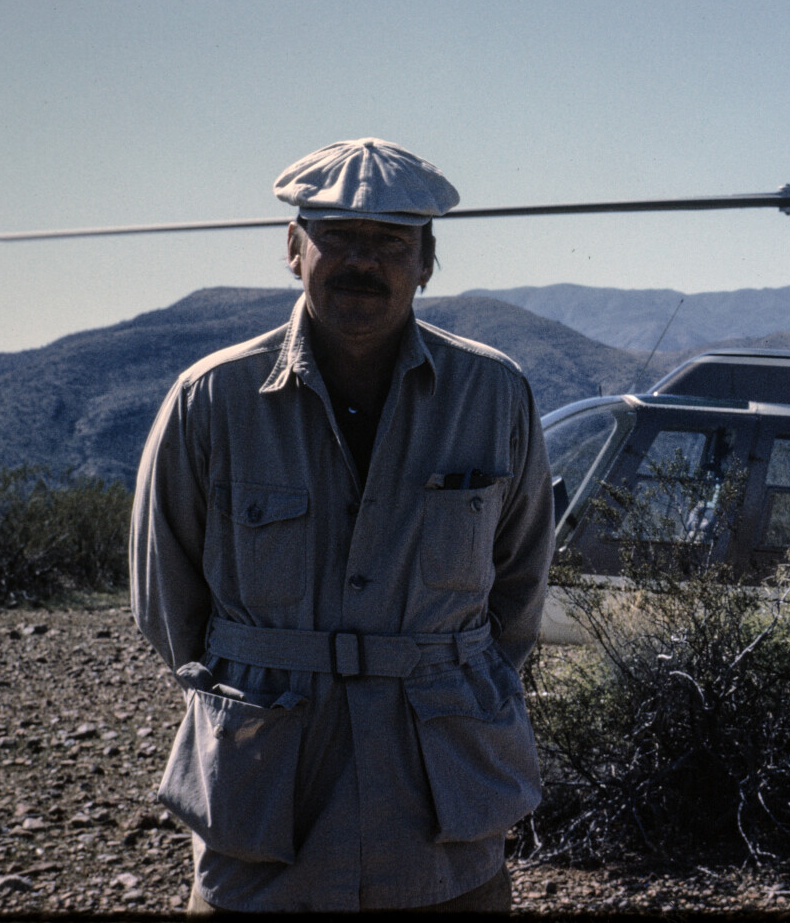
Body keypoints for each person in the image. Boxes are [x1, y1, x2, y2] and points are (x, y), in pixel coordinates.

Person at [130, 138, 555, 913]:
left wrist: (449, 677)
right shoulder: (212, 399)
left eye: (391, 244)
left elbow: (520, 586)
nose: (364, 262)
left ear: (427, 262)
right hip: (264, 810)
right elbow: (167, 603)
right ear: (294, 249)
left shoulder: (494, 395)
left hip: (439, 815)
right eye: (339, 240)